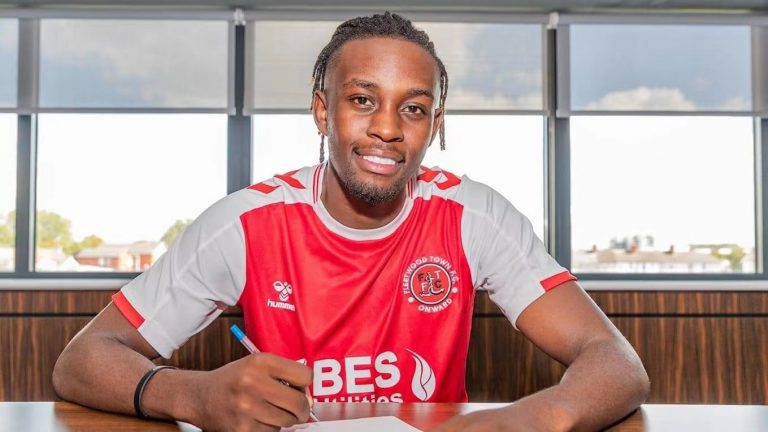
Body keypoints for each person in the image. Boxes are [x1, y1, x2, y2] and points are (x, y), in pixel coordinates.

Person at [52, 12, 649, 432]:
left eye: (412, 108)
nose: (388, 128)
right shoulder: (245, 223)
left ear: (434, 125)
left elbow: (614, 361)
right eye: (363, 99)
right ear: (321, 110)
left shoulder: (474, 216)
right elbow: (82, 360)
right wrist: (192, 394)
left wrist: (536, 417)